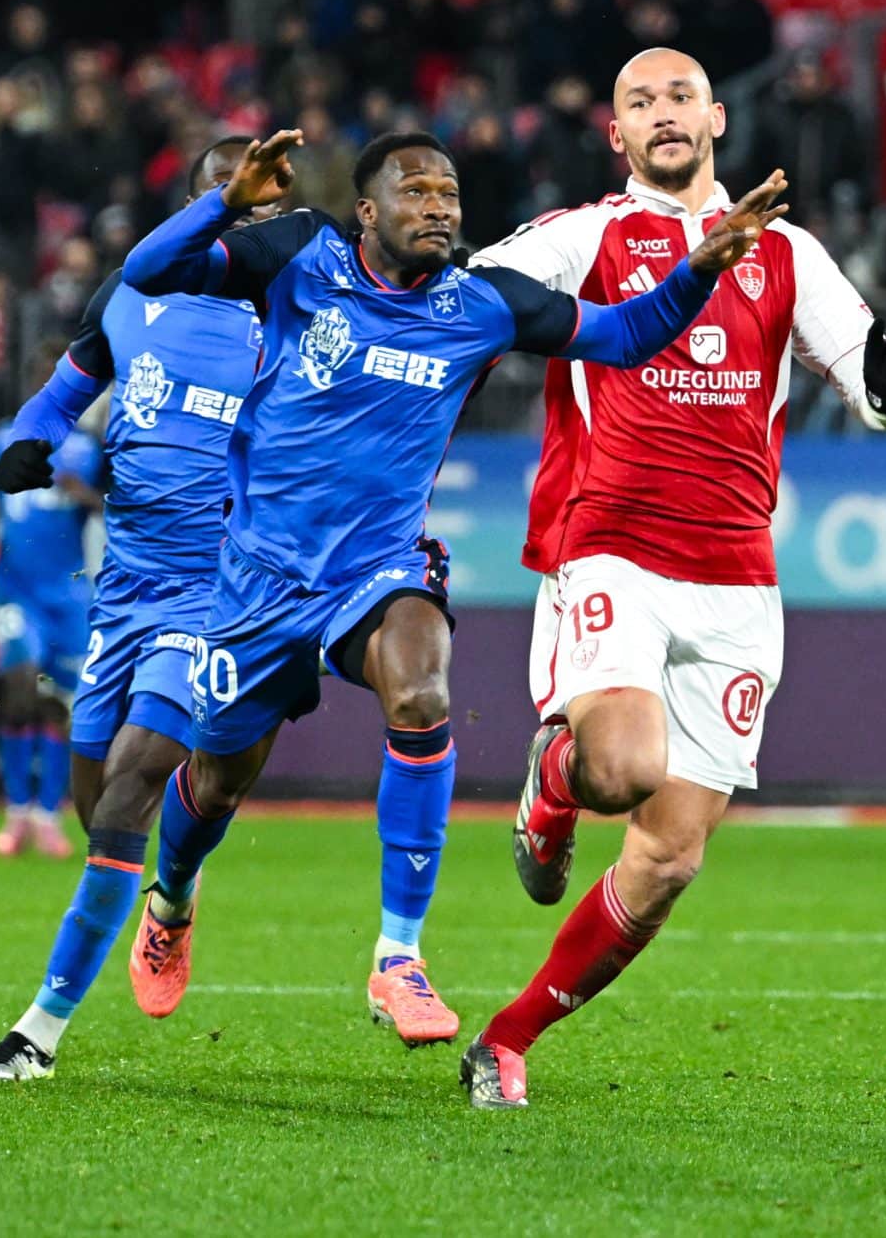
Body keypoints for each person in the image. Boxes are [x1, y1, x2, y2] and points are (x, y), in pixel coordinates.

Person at [95, 126, 780, 1050]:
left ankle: (399, 955)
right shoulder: (299, 254)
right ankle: (171, 899)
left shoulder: (483, 303)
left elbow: (623, 335)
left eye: (450, 193)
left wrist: (698, 267)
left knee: (422, 685)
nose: (440, 208)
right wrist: (221, 203)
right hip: (260, 575)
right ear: (368, 211)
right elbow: (147, 270)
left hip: (378, 566)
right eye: (416, 193)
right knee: (216, 777)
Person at [460, 46, 886, 1110]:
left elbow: (868, 377)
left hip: (735, 580)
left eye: (677, 97)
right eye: (637, 102)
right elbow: (475, 293)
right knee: (622, 766)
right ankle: (557, 788)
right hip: (612, 542)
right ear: (613, 135)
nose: (661, 115)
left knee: (668, 860)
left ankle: (508, 1037)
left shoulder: (788, 251)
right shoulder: (587, 235)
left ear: (715, 116)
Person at [0, 140, 273, 1080]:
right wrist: (26, 443)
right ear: (197, 209)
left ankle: (38, 1031)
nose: (256, 219)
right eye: (236, 198)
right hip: (124, 590)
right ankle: (171, 896)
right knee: (98, 796)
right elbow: (57, 401)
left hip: (219, 587)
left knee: (136, 782)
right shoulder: (128, 301)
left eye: (266, 206)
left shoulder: (290, 309)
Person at [0, 339, 102, 862]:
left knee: (56, 707)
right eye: (42, 377)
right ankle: (16, 809)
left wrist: (82, 495)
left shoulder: (90, 447)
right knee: (19, 690)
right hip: (14, 588)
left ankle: (47, 814)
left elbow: (115, 503)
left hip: (68, 595)